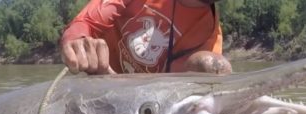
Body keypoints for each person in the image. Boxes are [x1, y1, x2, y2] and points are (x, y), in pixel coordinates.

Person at [60, 0, 232, 75]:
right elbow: (86, 23)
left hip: (145, 106)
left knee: (214, 67)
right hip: (98, 81)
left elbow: (169, 92)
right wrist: (76, 40)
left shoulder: (208, 34)